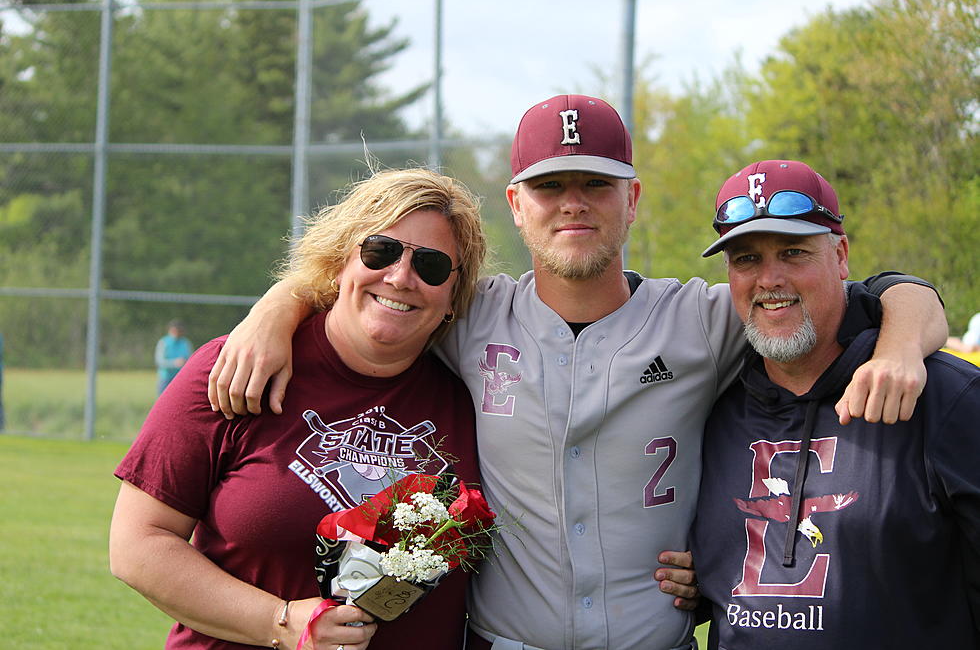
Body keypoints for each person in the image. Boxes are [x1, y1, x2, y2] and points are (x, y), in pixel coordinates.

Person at [207, 96, 949, 650]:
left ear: (632, 199)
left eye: (595, 184)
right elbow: (367, 289)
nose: (573, 203)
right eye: (549, 185)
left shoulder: (704, 317)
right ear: (516, 207)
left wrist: (899, 348)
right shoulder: (468, 315)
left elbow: (885, 293)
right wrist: (275, 307)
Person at [110, 168, 488, 650]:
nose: (400, 277)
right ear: (339, 262)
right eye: (380, 251)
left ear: (454, 295)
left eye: (432, 266)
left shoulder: (474, 400)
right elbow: (137, 544)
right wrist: (280, 622)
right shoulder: (235, 369)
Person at [691, 160, 980, 648]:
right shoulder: (707, 405)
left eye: (793, 252)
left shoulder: (942, 398)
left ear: (841, 255)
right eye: (745, 259)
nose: (769, 279)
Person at [155, 320, 194, 394]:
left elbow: (191, 359)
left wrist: (185, 362)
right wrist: (174, 363)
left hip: (180, 378)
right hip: (165, 379)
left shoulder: (185, 343)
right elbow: (159, 361)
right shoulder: (163, 342)